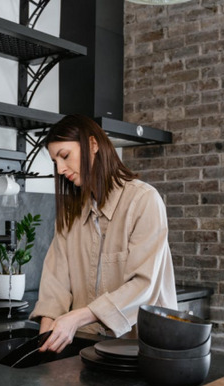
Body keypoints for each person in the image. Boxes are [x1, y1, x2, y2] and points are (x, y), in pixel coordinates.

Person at [29, 114, 177, 353]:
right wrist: (46, 334)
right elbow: (55, 280)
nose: (60, 168)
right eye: (55, 161)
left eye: (64, 156)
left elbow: (143, 285)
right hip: (88, 347)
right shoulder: (70, 213)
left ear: (93, 145)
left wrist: (77, 318)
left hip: (143, 348)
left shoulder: (143, 200)